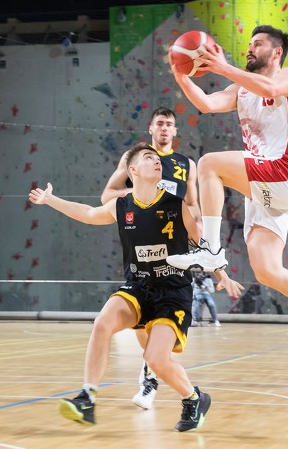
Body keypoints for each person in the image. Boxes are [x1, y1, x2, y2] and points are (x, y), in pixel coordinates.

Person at [166, 24, 288, 354]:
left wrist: (221, 67)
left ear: (276, 52)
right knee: (268, 271)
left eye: (257, 43)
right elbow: (207, 103)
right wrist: (181, 76)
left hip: (283, 171)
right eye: (249, 43)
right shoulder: (240, 88)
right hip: (263, 189)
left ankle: (210, 249)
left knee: (209, 164)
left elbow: (271, 88)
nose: (250, 48)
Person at [29, 143, 241, 431]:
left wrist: (220, 273)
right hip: (139, 286)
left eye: (157, 158)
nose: (156, 161)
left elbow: (201, 244)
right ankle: (87, 398)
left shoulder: (175, 205)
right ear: (133, 170)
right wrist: (51, 200)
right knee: (102, 323)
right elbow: (88, 214)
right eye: (148, 158)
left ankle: (194, 398)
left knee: (155, 359)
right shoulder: (122, 206)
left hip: (172, 292)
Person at [101, 107, 200, 410]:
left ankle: (151, 374)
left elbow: (193, 204)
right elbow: (107, 195)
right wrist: (137, 201)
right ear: (151, 128)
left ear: (175, 130)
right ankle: (149, 374)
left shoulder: (186, 164)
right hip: (143, 242)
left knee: (161, 321)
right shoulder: (135, 158)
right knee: (143, 322)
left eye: (170, 124)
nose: (165, 128)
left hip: (173, 248)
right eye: (160, 123)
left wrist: (196, 232)